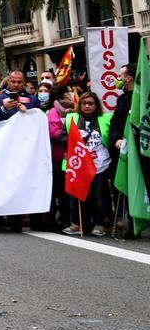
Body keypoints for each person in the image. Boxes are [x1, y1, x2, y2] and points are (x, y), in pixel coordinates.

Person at [62, 92, 114, 237]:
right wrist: (72, 140)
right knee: (75, 195)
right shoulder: (71, 118)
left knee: (98, 195)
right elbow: (61, 136)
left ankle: (99, 224)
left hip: (99, 163)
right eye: (84, 103)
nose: (87, 106)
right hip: (78, 164)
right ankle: (76, 224)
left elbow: (112, 135)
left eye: (90, 103)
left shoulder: (105, 119)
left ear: (96, 105)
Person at [45, 86, 76, 230]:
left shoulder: (77, 110)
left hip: (75, 156)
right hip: (59, 157)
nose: (72, 93)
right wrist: (71, 138)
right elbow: (54, 132)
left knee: (70, 190)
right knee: (61, 191)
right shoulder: (53, 112)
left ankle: (72, 219)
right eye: (69, 91)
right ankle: (60, 220)